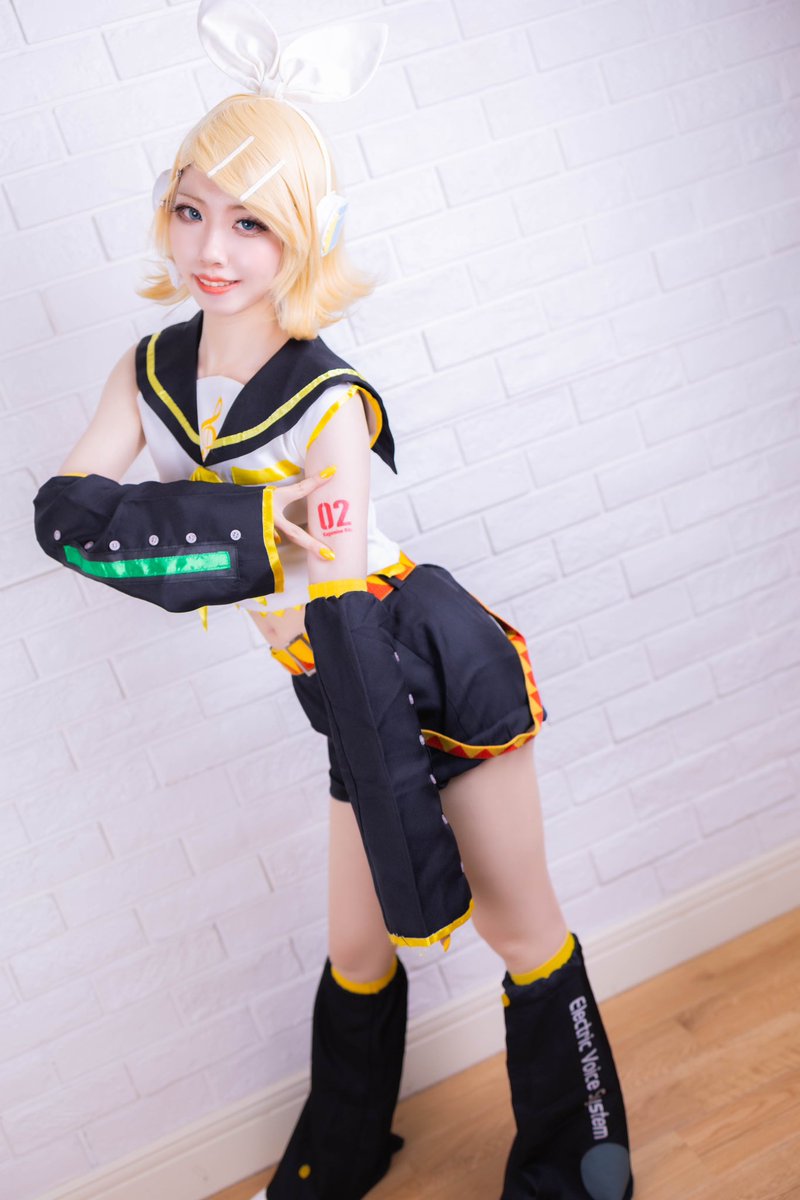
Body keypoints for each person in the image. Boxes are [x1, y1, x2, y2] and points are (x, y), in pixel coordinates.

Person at [32, 4, 633, 1198]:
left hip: (420, 659)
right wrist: (261, 526)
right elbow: (65, 520)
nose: (213, 247)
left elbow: (346, 614)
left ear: (304, 236)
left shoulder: (329, 403)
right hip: (334, 682)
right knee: (358, 947)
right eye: (192, 208)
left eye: (251, 222)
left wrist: (410, 846)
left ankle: (581, 1169)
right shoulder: (147, 374)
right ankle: (336, 1156)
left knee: (516, 927)